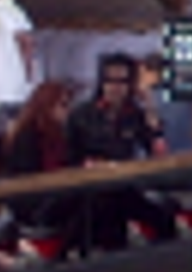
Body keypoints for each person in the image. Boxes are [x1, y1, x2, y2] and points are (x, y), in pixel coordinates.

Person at [65, 52, 169, 250]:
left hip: (123, 187)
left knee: (164, 215)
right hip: (88, 191)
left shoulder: (134, 114)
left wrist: (150, 113)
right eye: (110, 81)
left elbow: (158, 153)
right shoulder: (81, 115)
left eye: (122, 82)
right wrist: (90, 164)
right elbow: (68, 158)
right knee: (102, 217)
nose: (115, 88)